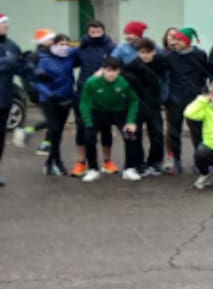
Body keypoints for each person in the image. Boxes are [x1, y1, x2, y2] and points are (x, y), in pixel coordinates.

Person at [78, 57, 143, 183]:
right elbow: (84, 103)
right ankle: (93, 169)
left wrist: (131, 121)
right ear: (103, 70)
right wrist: (88, 121)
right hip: (97, 112)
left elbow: (134, 100)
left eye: (115, 70)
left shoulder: (123, 82)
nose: (111, 73)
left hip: (118, 112)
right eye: (108, 70)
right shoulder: (91, 82)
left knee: (130, 135)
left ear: (119, 71)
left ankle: (129, 169)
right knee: (89, 137)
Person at [69, 21, 116, 177]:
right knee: (82, 128)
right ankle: (81, 163)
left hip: (104, 93)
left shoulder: (110, 47)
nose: (95, 34)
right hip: (83, 92)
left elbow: (116, 66)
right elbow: (70, 64)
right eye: (92, 32)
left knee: (105, 128)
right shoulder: (82, 47)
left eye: (98, 31)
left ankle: (107, 162)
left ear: (103, 31)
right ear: (88, 32)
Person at [163, 29, 208, 175]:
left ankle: (199, 161)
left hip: (194, 96)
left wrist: (203, 92)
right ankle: (176, 161)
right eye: (174, 39)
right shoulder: (169, 56)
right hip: (175, 97)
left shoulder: (199, 54)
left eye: (179, 40)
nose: (175, 42)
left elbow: (204, 74)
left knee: (197, 130)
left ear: (187, 41)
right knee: (174, 130)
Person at [33, 33, 76, 176]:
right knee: (55, 129)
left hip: (66, 100)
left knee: (58, 133)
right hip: (49, 101)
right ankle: (57, 162)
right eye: (61, 44)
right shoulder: (44, 60)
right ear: (53, 45)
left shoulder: (70, 55)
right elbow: (37, 81)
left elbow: (85, 49)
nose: (64, 47)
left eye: (66, 44)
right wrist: (50, 95)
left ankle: (49, 162)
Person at [123, 38, 167, 175]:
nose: (146, 55)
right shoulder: (132, 65)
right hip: (138, 105)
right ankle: (138, 163)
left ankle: (154, 162)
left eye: (149, 52)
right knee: (137, 135)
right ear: (138, 53)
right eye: (142, 52)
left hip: (154, 104)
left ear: (154, 52)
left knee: (157, 134)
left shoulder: (160, 61)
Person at [0, 14, 22, 185]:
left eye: (7, 23)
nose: (6, 26)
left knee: (0, 138)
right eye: (3, 24)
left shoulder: (11, 45)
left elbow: (19, 67)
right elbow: (9, 64)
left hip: (4, 99)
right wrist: (6, 63)